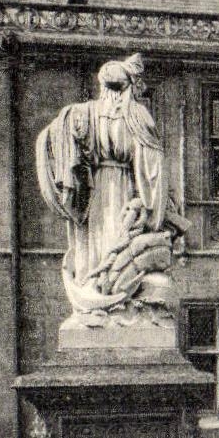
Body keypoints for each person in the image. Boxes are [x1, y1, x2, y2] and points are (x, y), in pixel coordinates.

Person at [35, 53, 187, 322]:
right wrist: (153, 209)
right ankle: (111, 302)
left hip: (96, 193)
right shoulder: (137, 115)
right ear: (130, 87)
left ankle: (98, 298)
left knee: (97, 250)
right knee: (120, 244)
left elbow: (50, 141)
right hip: (126, 189)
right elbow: (152, 169)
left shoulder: (83, 113)